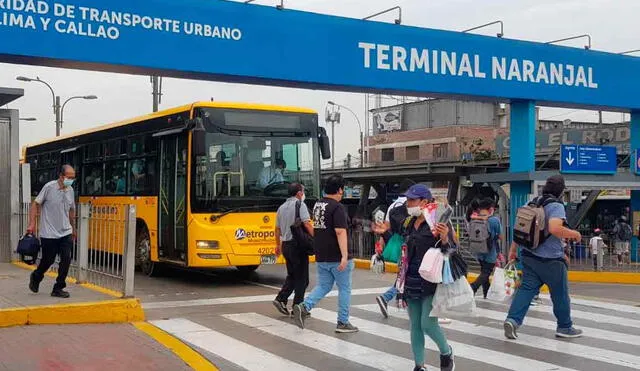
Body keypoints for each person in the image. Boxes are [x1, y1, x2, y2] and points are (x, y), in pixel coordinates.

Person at [373, 184, 455, 371]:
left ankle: (446, 352)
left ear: (424, 202)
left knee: (427, 323)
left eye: (412, 200)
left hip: (431, 280)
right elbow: (400, 240)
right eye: (408, 199)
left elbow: (450, 252)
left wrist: (444, 239)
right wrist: (383, 232)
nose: (408, 203)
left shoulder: (438, 223)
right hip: (410, 277)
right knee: (415, 325)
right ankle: (419, 365)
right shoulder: (410, 222)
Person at [504, 175, 583, 339]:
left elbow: (520, 229)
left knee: (525, 290)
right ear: (561, 191)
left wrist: (513, 250)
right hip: (551, 260)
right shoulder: (556, 206)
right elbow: (554, 228)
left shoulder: (532, 202)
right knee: (559, 294)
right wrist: (574, 234)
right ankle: (565, 327)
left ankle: (513, 320)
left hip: (528, 256)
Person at [292, 174, 358, 333]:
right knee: (344, 289)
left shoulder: (318, 205)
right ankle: (342, 322)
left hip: (322, 254)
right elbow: (340, 232)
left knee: (324, 285)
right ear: (340, 190)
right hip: (337, 255)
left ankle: (305, 306)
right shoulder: (337, 207)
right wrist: (344, 256)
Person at [26, 165, 77, 298]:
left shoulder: (70, 190)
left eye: (73, 177)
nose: (71, 180)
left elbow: (71, 211)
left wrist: (73, 228)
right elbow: (35, 204)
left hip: (65, 231)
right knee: (48, 260)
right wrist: (32, 223)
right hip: (49, 233)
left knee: (66, 259)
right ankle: (37, 276)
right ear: (61, 176)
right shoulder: (49, 187)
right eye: (69, 177)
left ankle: (58, 287)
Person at [375, 178, 414, 318]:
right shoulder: (411, 204)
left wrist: (380, 246)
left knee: (405, 274)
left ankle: (392, 299)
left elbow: (385, 227)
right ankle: (387, 297)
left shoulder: (392, 206)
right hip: (409, 243)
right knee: (407, 275)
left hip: (395, 242)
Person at [272, 183, 314, 315]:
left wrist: (278, 245)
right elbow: (307, 223)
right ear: (299, 193)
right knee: (302, 279)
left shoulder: (281, 208)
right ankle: (298, 307)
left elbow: (277, 229)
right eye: (303, 191)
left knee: (292, 275)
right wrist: (317, 237)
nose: (303, 194)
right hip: (297, 245)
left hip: (286, 245)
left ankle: (281, 299)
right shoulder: (300, 205)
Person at [468, 198, 503, 299]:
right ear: (491, 209)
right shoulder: (494, 220)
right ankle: (473, 287)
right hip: (490, 251)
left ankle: (486, 292)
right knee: (486, 272)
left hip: (478, 250)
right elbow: (501, 237)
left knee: (484, 271)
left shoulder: (474, 218)